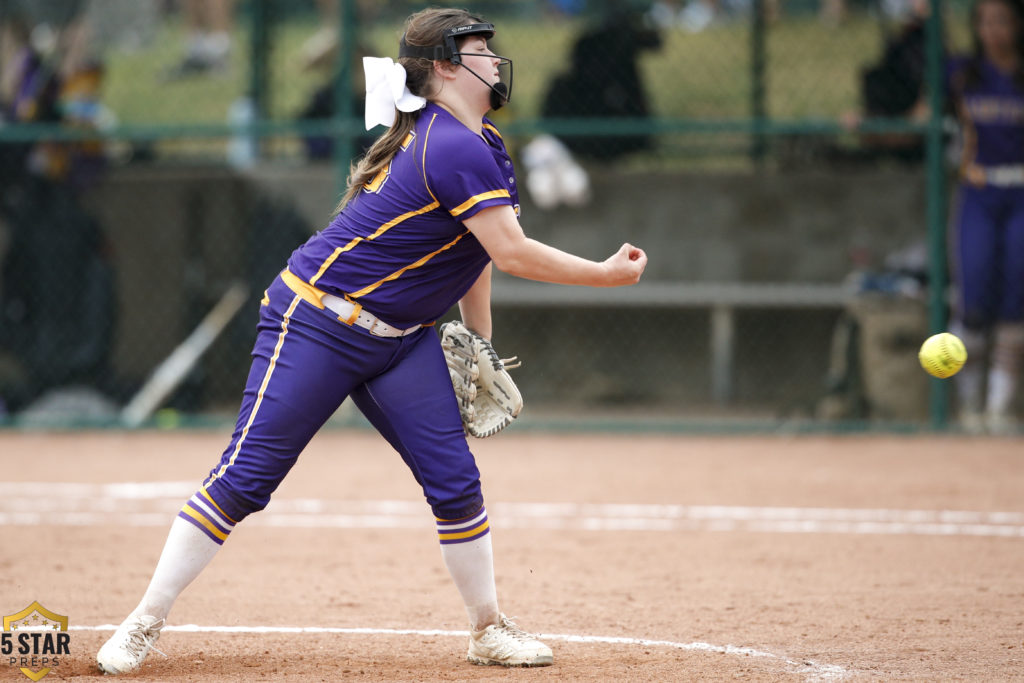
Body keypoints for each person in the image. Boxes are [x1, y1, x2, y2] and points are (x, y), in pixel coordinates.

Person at [96, 7, 647, 675]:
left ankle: (487, 627)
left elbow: (471, 255)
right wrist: (605, 275)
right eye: (480, 51)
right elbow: (511, 252)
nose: (495, 62)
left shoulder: (484, 143)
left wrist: (481, 341)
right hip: (317, 323)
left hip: (401, 340)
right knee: (247, 478)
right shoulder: (451, 144)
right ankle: (141, 623)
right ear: (444, 67)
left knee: (454, 481)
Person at [947, 0, 1024, 433]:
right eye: (986, 22)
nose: (994, 31)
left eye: (1003, 21)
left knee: (1016, 296)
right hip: (979, 188)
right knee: (973, 296)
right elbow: (919, 106)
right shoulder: (962, 73)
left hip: (1022, 192)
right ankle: (967, 406)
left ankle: (999, 408)